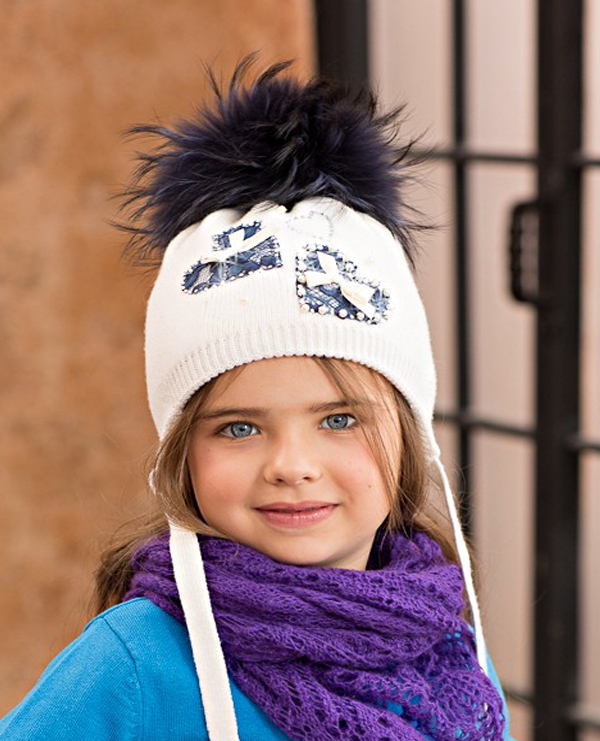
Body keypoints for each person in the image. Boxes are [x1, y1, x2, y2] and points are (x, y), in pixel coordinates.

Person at [0, 60, 514, 740]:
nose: (291, 465)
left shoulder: (447, 644)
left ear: (408, 434)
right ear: (181, 453)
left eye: (339, 418)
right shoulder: (134, 666)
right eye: (239, 427)